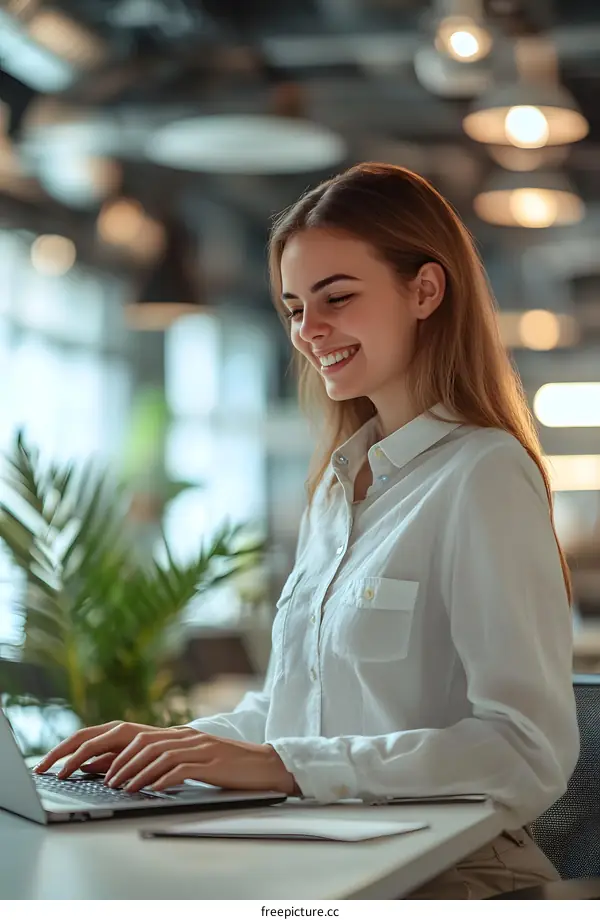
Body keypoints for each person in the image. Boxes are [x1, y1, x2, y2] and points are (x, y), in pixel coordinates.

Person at [35, 163, 579, 899]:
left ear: (425, 290)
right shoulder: (336, 486)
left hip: (450, 873)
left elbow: (525, 749)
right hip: (322, 858)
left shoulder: (481, 473)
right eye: (294, 307)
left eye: (337, 298)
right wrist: (176, 745)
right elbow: (295, 710)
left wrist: (286, 766)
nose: (308, 331)